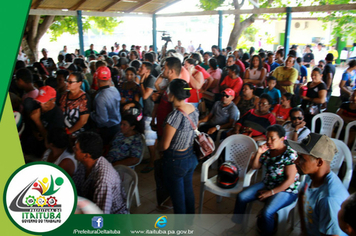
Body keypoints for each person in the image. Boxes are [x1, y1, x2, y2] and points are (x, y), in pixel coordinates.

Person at [231, 124, 300, 235]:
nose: (269, 141)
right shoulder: (267, 150)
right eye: (267, 138)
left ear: (282, 139)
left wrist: (270, 193)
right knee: (242, 196)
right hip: (268, 183)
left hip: (287, 190)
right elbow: (255, 167)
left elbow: (289, 180)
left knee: (267, 212)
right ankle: (237, 225)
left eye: (273, 138)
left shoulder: (290, 154)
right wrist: (258, 153)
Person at [290, 133, 349, 236]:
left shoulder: (329, 199)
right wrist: (304, 230)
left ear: (319, 162)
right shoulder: (311, 176)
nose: (296, 161)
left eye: (302, 158)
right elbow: (302, 195)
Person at [160, 79, 199, 214]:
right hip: (190, 156)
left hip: (176, 160)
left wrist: (157, 148)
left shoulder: (174, 116)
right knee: (188, 189)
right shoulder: (194, 109)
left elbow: (165, 145)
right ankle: (190, 221)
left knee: (178, 198)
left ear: (172, 94)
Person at [72, 131, 128, 214]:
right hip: (88, 205)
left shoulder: (103, 180)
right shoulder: (84, 163)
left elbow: (100, 216)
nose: (73, 149)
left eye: (76, 149)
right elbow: (75, 185)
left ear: (86, 155)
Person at [91, 66, 121, 145]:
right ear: (110, 78)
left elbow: (103, 120)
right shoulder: (115, 90)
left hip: (107, 131)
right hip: (117, 127)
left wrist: (91, 114)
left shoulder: (100, 98)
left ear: (96, 79)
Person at [58, 72, 91, 137]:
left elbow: (83, 121)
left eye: (70, 82)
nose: (67, 83)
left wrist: (69, 132)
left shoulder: (84, 98)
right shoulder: (64, 96)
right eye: (66, 81)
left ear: (79, 83)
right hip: (64, 130)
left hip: (78, 134)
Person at [138, 61, 157, 173]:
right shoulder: (146, 79)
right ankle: (151, 158)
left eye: (142, 67)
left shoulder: (151, 80)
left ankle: (152, 162)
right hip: (146, 112)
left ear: (148, 71)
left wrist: (140, 83)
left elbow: (145, 96)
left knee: (150, 140)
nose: (139, 69)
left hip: (151, 113)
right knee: (149, 138)